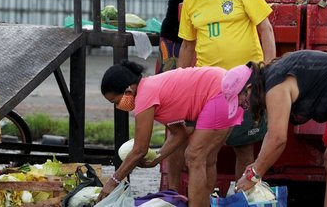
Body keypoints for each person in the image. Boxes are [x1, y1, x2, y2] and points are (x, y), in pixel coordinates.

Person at [171, 0, 277, 189]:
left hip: (246, 84)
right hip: (209, 88)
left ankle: (243, 199)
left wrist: (268, 70)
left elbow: (265, 28)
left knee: (244, 150)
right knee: (207, 153)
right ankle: (206, 201)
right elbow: (188, 46)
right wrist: (181, 82)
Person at [227, 50, 327, 207]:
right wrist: (257, 166)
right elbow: (273, 136)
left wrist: (253, 174)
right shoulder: (272, 76)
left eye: (244, 103)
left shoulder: (275, 86)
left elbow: (277, 138)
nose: (246, 108)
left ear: (249, 88)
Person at [96, 60, 244, 207]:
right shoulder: (150, 88)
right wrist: (157, 157)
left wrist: (113, 182)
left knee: (194, 157)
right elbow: (179, 133)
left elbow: (139, 150)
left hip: (220, 92)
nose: (118, 106)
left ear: (128, 90)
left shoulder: (144, 96)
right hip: (227, 89)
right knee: (207, 158)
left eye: (116, 101)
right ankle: (206, 204)